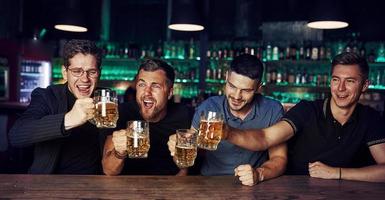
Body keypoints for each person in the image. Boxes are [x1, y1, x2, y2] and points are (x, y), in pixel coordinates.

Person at [224, 52, 385, 182]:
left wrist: (337, 173)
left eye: (349, 81)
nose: (340, 88)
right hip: (297, 193)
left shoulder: (370, 118)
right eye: (336, 80)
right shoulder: (307, 110)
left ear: (364, 85)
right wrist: (228, 132)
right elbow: (265, 137)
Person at [168, 54, 287, 186]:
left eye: (246, 91)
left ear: (259, 87)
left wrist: (258, 174)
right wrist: (177, 150)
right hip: (209, 183)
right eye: (232, 86)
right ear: (226, 78)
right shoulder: (208, 107)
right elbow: (188, 156)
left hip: (253, 185)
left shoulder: (272, 109)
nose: (237, 96)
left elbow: (279, 158)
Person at [9, 39, 104, 174]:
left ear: (99, 73)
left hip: (96, 185)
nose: (85, 79)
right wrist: (68, 119)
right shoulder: (47, 96)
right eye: (77, 71)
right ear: (65, 72)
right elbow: (16, 135)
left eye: (92, 72)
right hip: (50, 185)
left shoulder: (107, 100)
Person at [102, 58, 192, 175]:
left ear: (170, 93)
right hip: (127, 188)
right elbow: (108, 170)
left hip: (168, 187)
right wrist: (119, 152)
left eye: (156, 86)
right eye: (142, 84)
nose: (147, 92)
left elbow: (184, 170)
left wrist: (181, 159)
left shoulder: (184, 115)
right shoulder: (121, 113)